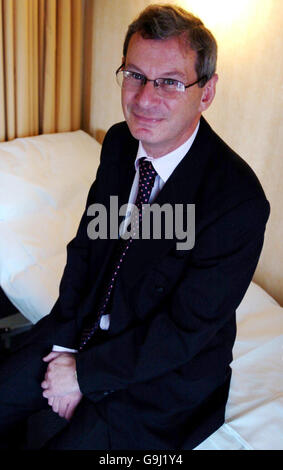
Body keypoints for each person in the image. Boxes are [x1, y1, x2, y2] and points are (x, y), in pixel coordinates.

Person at [0, 4, 270, 450]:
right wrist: (66, 345)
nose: (144, 99)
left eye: (169, 82)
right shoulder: (122, 143)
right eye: (134, 75)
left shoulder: (236, 202)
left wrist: (82, 376)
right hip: (84, 329)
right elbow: (87, 247)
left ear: (206, 93)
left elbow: (183, 331)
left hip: (164, 378)